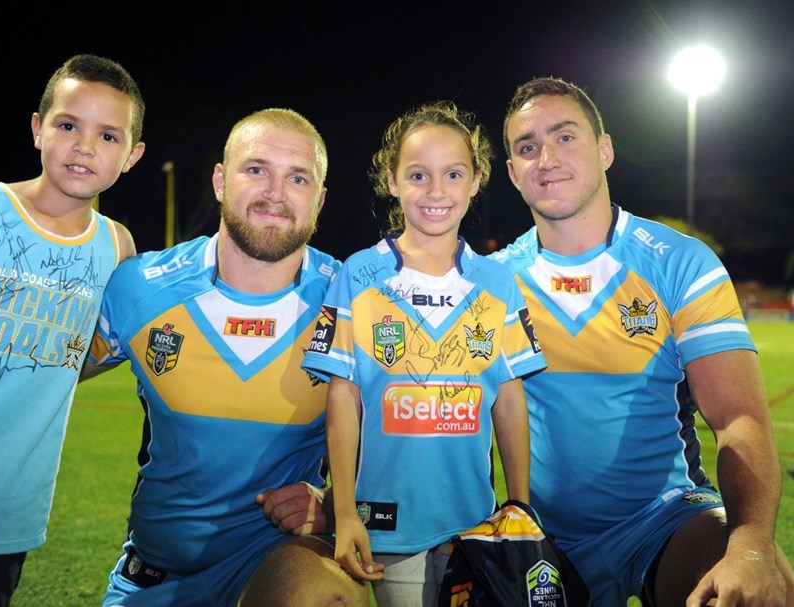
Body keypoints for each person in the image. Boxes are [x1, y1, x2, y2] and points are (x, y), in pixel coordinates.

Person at [489, 75, 794, 606]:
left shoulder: (680, 262)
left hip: (665, 518)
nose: (547, 158)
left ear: (605, 150)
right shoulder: (491, 282)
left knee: (756, 593)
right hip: (541, 535)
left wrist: (749, 546)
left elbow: (737, 416)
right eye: (528, 147)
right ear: (514, 172)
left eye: (565, 137)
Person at [82, 108, 368, 606]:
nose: (275, 192)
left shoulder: (353, 301)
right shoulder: (140, 287)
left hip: (276, 559)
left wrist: (338, 503)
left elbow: (414, 434)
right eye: (256, 169)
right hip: (156, 574)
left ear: (319, 199)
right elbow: (41, 376)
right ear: (220, 181)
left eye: (297, 178)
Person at [301, 101, 546, 606]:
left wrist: (519, 506)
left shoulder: (498, 283)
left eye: (453, 174)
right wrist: (343, 511)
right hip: (386, 521)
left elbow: (508, 398)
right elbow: (343, 398)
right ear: (392, 181)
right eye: (418, 175)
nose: (436, 191)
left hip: (476, 523)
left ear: (475, 181)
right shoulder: (357, 275)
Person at [0, 54, 146, 606]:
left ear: (131, 156)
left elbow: (78, 356)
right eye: (67, 125)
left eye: (107, 136)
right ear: (38, 129)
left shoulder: (117, 248)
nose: (84, 146)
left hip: (3, 512)